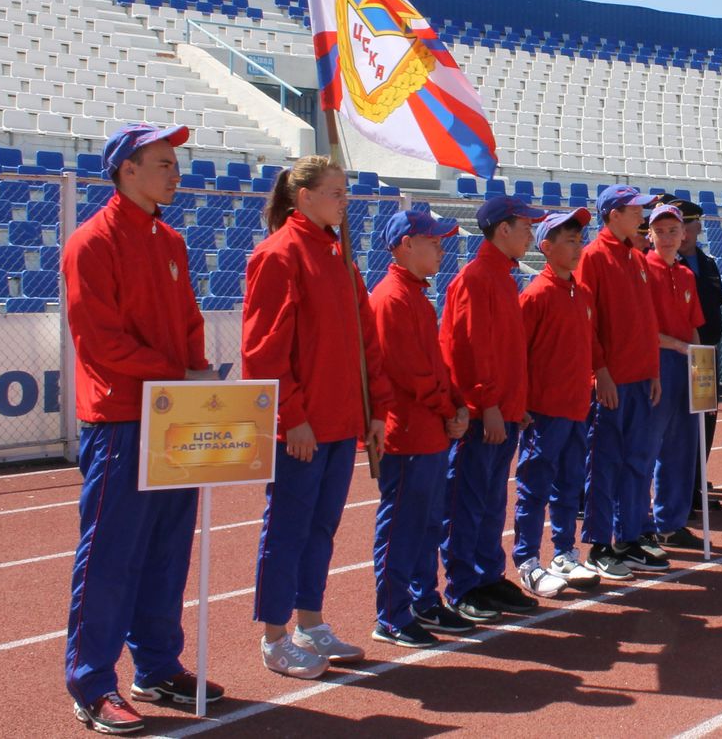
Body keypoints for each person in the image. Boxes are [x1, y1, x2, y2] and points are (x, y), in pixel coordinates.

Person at [61, 123, 223, 734]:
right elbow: (100, 342)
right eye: (162, 163)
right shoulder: (91, 242)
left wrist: (196, 376)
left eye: (175, 163)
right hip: (122, 419)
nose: (175, 173)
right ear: (126, 170)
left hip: (172, 414)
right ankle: (91, 682)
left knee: (166, 550)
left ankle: (156, 667)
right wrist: (178, 375)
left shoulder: (170, 240)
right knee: (111, 556)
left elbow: (188, 321)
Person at [245, 155, 391, 679]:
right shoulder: (278, 254)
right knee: (287, 529)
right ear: (303, 196)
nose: (344, 202)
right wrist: (291, 416)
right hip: (302, 427)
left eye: (346, 193)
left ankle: (311, 621)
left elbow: (365, 341)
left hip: (342, 421)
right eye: (336, 193)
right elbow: (263, 351)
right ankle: (275, 636)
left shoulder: (339, 254)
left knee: (321, 528)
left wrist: (374, 410)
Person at [438, 195, 547, 621]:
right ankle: (463, 585)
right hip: (483, 415)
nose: (530, 235)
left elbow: (505, 351)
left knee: (489, 500)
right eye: (526, 227)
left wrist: (514, 403)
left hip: (501, 411)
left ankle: (487, 576)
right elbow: (469, 349)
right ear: (503, 229)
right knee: (467, 502)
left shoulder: (501, 276)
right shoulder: (476, 278)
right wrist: (488, 405)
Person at [368, 210, 472, 649]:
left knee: (427, 524)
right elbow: (411, 374)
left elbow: (434, 365)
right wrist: (451, 408)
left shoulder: (413, 295)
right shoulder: (392, 298)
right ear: (407, 244)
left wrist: (456, 405)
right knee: (402, 528)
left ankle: (423, 600)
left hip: (428, 431)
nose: (442, 250)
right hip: (407, 433)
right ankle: (392, 615)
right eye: (434, 242)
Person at [515, 208, 606, 592]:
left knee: (570, 485)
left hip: (576, 408)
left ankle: (564, 553)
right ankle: (527, 560)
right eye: (569, 240)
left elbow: (589, 345)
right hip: (543, 412)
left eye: (579, 239)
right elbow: (518, 354)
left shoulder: (581, 293)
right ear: (547, 247)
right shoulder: (535, 294)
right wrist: (521, 403)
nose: (578, 247)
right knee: (534, 486)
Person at [577, 186, 665, 574]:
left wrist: (654, 371)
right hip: (612, 382)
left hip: (641, 380)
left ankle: (629, 538)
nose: (641, 217)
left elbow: (647, 321)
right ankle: (600, 546)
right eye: (635, 210)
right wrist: (600, 372)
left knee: (637, 462)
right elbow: (587, 322)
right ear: (614, 214)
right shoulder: (593, 257)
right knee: (604, 464)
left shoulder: (635, 257)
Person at [643, 204, 706, 548]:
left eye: (672, 231)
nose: (666, 238)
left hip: (684, 364)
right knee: (647, 445)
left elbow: (693, 326)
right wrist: (680, 347)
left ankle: (671, 521)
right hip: (654, 364)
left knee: (682, 447)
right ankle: (639, 523)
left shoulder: (686, 275)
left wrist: (699, 364)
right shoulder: (642, 270)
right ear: (649, 235)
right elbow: (640, 329)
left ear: (684, 234)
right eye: (660, 231)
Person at [664, 197, 722, 513]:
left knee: (705, 423)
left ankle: (694, 486)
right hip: (678, 354)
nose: (694, 230)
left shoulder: (707, 262)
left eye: (693, 224)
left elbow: (716, 305)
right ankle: (678, 494)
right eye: (688, 225)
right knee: (678, 429)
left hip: (706, 354)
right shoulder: (667, 265)